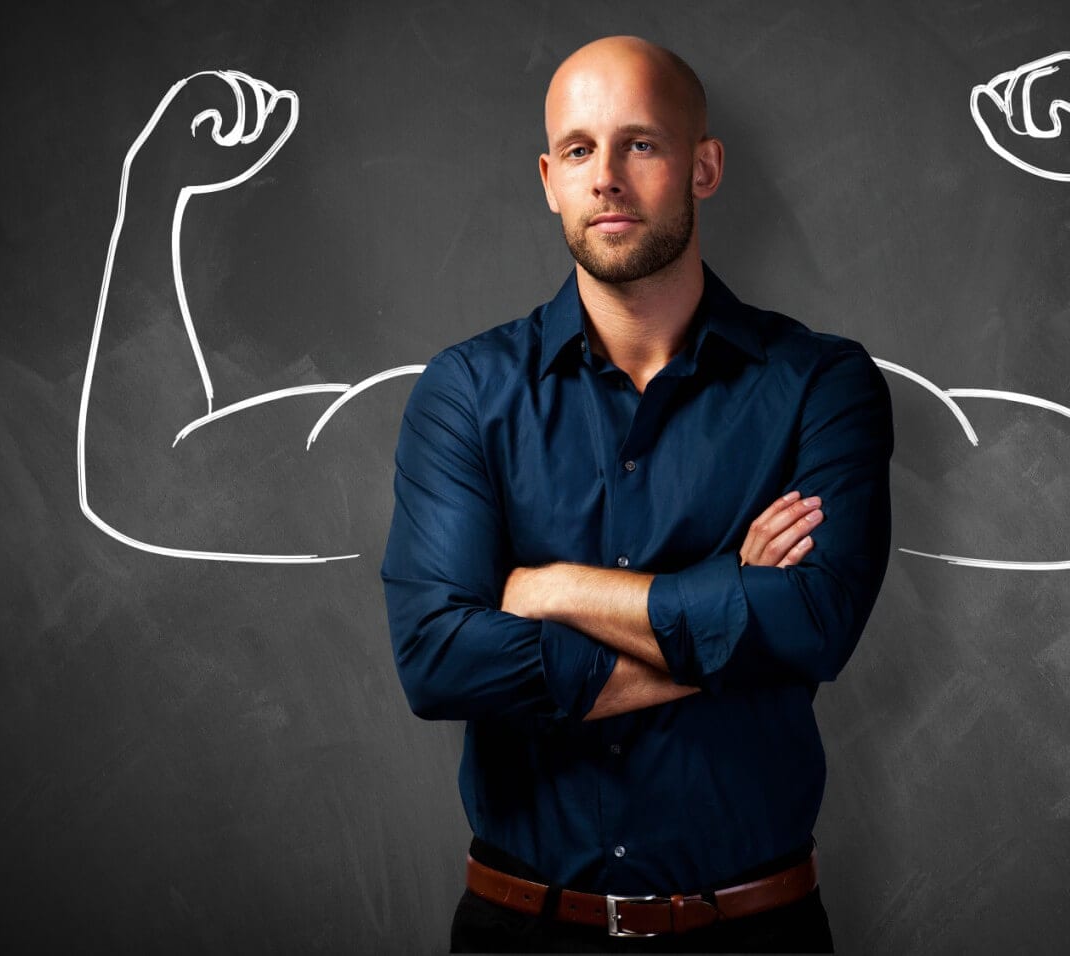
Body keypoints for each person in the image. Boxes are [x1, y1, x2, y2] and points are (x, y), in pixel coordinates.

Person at [379, 35, 893, 953]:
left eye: (641, 144)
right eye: (579, 150)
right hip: (520, 929)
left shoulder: (822, 384)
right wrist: (727, 610)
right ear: (548, 177)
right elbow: (437, 658)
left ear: (704, 167)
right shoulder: (466, 393)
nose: (606, 176)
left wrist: (554, 590)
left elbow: (817, 621)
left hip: (754, 929)